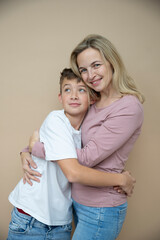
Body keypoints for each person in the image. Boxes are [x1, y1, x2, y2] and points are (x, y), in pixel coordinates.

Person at [21, 34, 144, 240]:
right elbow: (65, 136)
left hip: (101, 210)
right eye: (84, 70)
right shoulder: (91, 103)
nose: (90, 75)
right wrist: (25, 151)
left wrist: (37, 149)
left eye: (96, 65)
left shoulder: (128, 107)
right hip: (75, 202)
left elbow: (86, 157)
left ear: (112, 62)